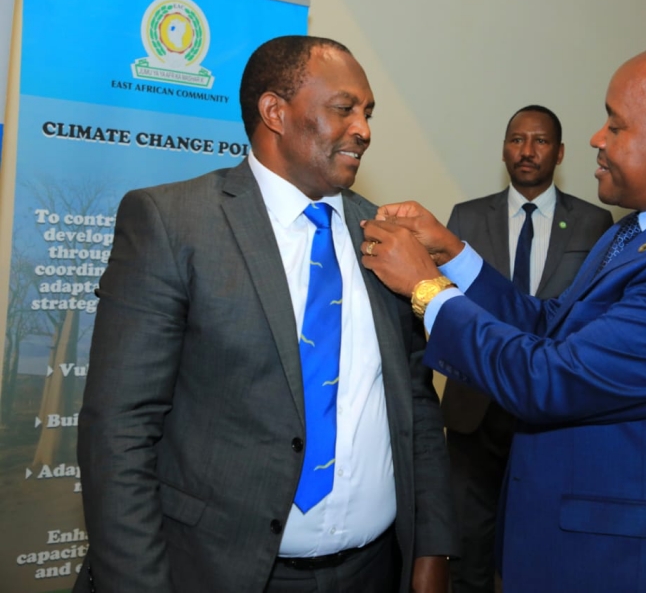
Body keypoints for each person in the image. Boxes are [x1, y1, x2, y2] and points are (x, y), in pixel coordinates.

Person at [358, 39, 646, 592]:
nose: (596, 139)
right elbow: (549, 327)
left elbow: (552, 378)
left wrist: (426, 288)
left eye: (617, 124)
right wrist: (453, 255)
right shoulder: (638, 231)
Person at [75, 35, 457, 593]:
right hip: (218, 572)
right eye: (344, 108)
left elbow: (417, 404)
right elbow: (120, 431)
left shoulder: (385, 239)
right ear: (275, 112)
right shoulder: (172, 222)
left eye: (368, 113)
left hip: (373, 572)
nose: (364, 130)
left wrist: (432, 550)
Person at [441, 105, 612, 593]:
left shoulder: (596, 222)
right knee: (468, 535)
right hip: (476, 401)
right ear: (504, 149)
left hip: (551, 407)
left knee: (536, 533)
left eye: (539, 141)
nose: (527, 150)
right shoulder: (467, 216)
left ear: (559, 153)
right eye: (517, 139)